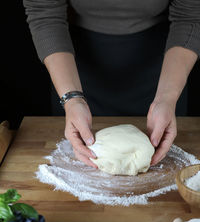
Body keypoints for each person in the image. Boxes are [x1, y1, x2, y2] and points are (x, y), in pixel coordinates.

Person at [23, 1, 200, 169]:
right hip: (73, 67)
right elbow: (45, 13)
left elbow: (191, 15)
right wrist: (72, 99)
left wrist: (166, 98)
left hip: (164, 65)